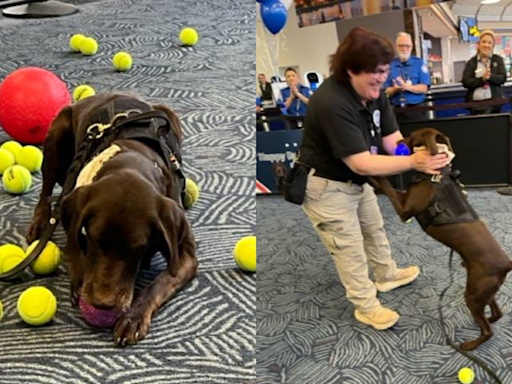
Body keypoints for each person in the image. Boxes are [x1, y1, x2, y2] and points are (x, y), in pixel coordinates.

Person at [298, 27, 448, 330]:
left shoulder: (374, 93)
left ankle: (386, 275)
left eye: (385, 70)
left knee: (374, 229)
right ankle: (365, 306)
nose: (382, 77)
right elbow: (362, 162)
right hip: (325, 186)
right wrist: (413, 162)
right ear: (351, 69)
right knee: (349, 249)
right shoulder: (331, 102)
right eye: (375, 72)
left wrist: (423, 154)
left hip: (356, 180)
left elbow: (393, 141)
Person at [384, 32, 431, 122]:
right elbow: (386, 91)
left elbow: (424, 88)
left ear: (411, 46)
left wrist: (407, 87)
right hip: (397, 111)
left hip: (417, 110)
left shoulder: (419, 63)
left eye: (407, 46)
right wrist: (395, 89)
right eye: (401, 46)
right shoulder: (390, 65)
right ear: (396, 47)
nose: (404, 48)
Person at [462, 30, 506, 115]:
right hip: (475, 106)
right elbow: (466, 82)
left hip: (494, 105)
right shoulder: (471, 62)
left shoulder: (498, 60)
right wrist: (482, 79)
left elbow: (503, 78)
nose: (486, 45)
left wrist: (490, 77)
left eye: (489, 43)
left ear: (493, 46)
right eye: (484, 42)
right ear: (479, 44)